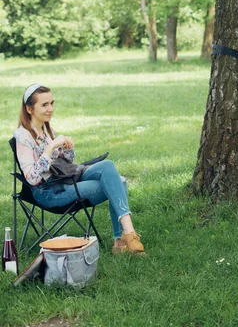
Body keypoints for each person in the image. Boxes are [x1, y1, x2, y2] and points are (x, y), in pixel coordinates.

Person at [14, 84, 145, 255]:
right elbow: (32, 178)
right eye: (44, 105)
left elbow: (66, 162)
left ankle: (126, 234)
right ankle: (124, 240)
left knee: (108, 166)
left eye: (52, 103)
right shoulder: (22, 136)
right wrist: (50, 148)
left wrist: (68, 147)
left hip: (67, 178)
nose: (51, 109)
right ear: (29, 109)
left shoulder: (47, 129)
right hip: (49, 191)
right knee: (117, 183)